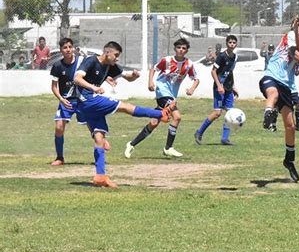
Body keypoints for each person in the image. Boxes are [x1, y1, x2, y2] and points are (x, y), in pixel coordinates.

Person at [74, 41, 175, 188]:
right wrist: (94, 88)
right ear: (107, 52)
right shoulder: (91, 61)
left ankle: (100, 176)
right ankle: (160, 113)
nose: (117, 59)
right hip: (88, 100)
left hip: (89, 106)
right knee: (126, 107)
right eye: (115, 55)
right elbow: (77, 78)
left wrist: (134, 75)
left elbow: (127, 77)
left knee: (99, 138)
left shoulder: (110, 66)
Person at [259, 17, 299, 182]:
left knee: (291, 126)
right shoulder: (289, 35)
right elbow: (293, 52)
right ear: (296, 29)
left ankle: (289, 160)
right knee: (272, 95)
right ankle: (268, 114)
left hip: (286, 86)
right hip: (271, 77)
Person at [124, 38, 199, 159]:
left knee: (154, 122)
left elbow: (196, 79)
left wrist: (192, 89)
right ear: (175, 49)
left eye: (184, 48)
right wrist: (150, 82)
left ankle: (131, 144)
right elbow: (154, 69)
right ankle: (168, 148)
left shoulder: (188, 64)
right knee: (177, 117)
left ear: (187, 50)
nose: (181, 50)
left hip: (171, 95)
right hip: (162, 92)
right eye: (179, 47)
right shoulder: (167, 60)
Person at [194, 35, 239, 146]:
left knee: (230, 113)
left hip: (228, 88)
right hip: (219, 88)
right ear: (227, 43)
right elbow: (213, 71)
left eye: (234, 42)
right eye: (230, 42)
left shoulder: (235, 57)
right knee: (217, 113)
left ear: (236, 44)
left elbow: (230, 72)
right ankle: (199, 132)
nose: (232, 44)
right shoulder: (222, 56)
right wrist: (219, 86)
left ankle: (225, 139)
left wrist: (233, 86)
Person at [50, 38, 88, 166]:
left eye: (70, 47)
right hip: (66, 101)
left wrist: (109, 78)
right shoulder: (57, 66)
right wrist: (61, 99)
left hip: (82, 100)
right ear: (61, 50)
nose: (68, 50)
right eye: (65, 47)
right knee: (59, 127)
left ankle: (101, 142)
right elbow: (54, 86)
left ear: (73, 48)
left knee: (92, 124)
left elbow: (93, 73)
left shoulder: (81, 62)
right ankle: (60, 158)